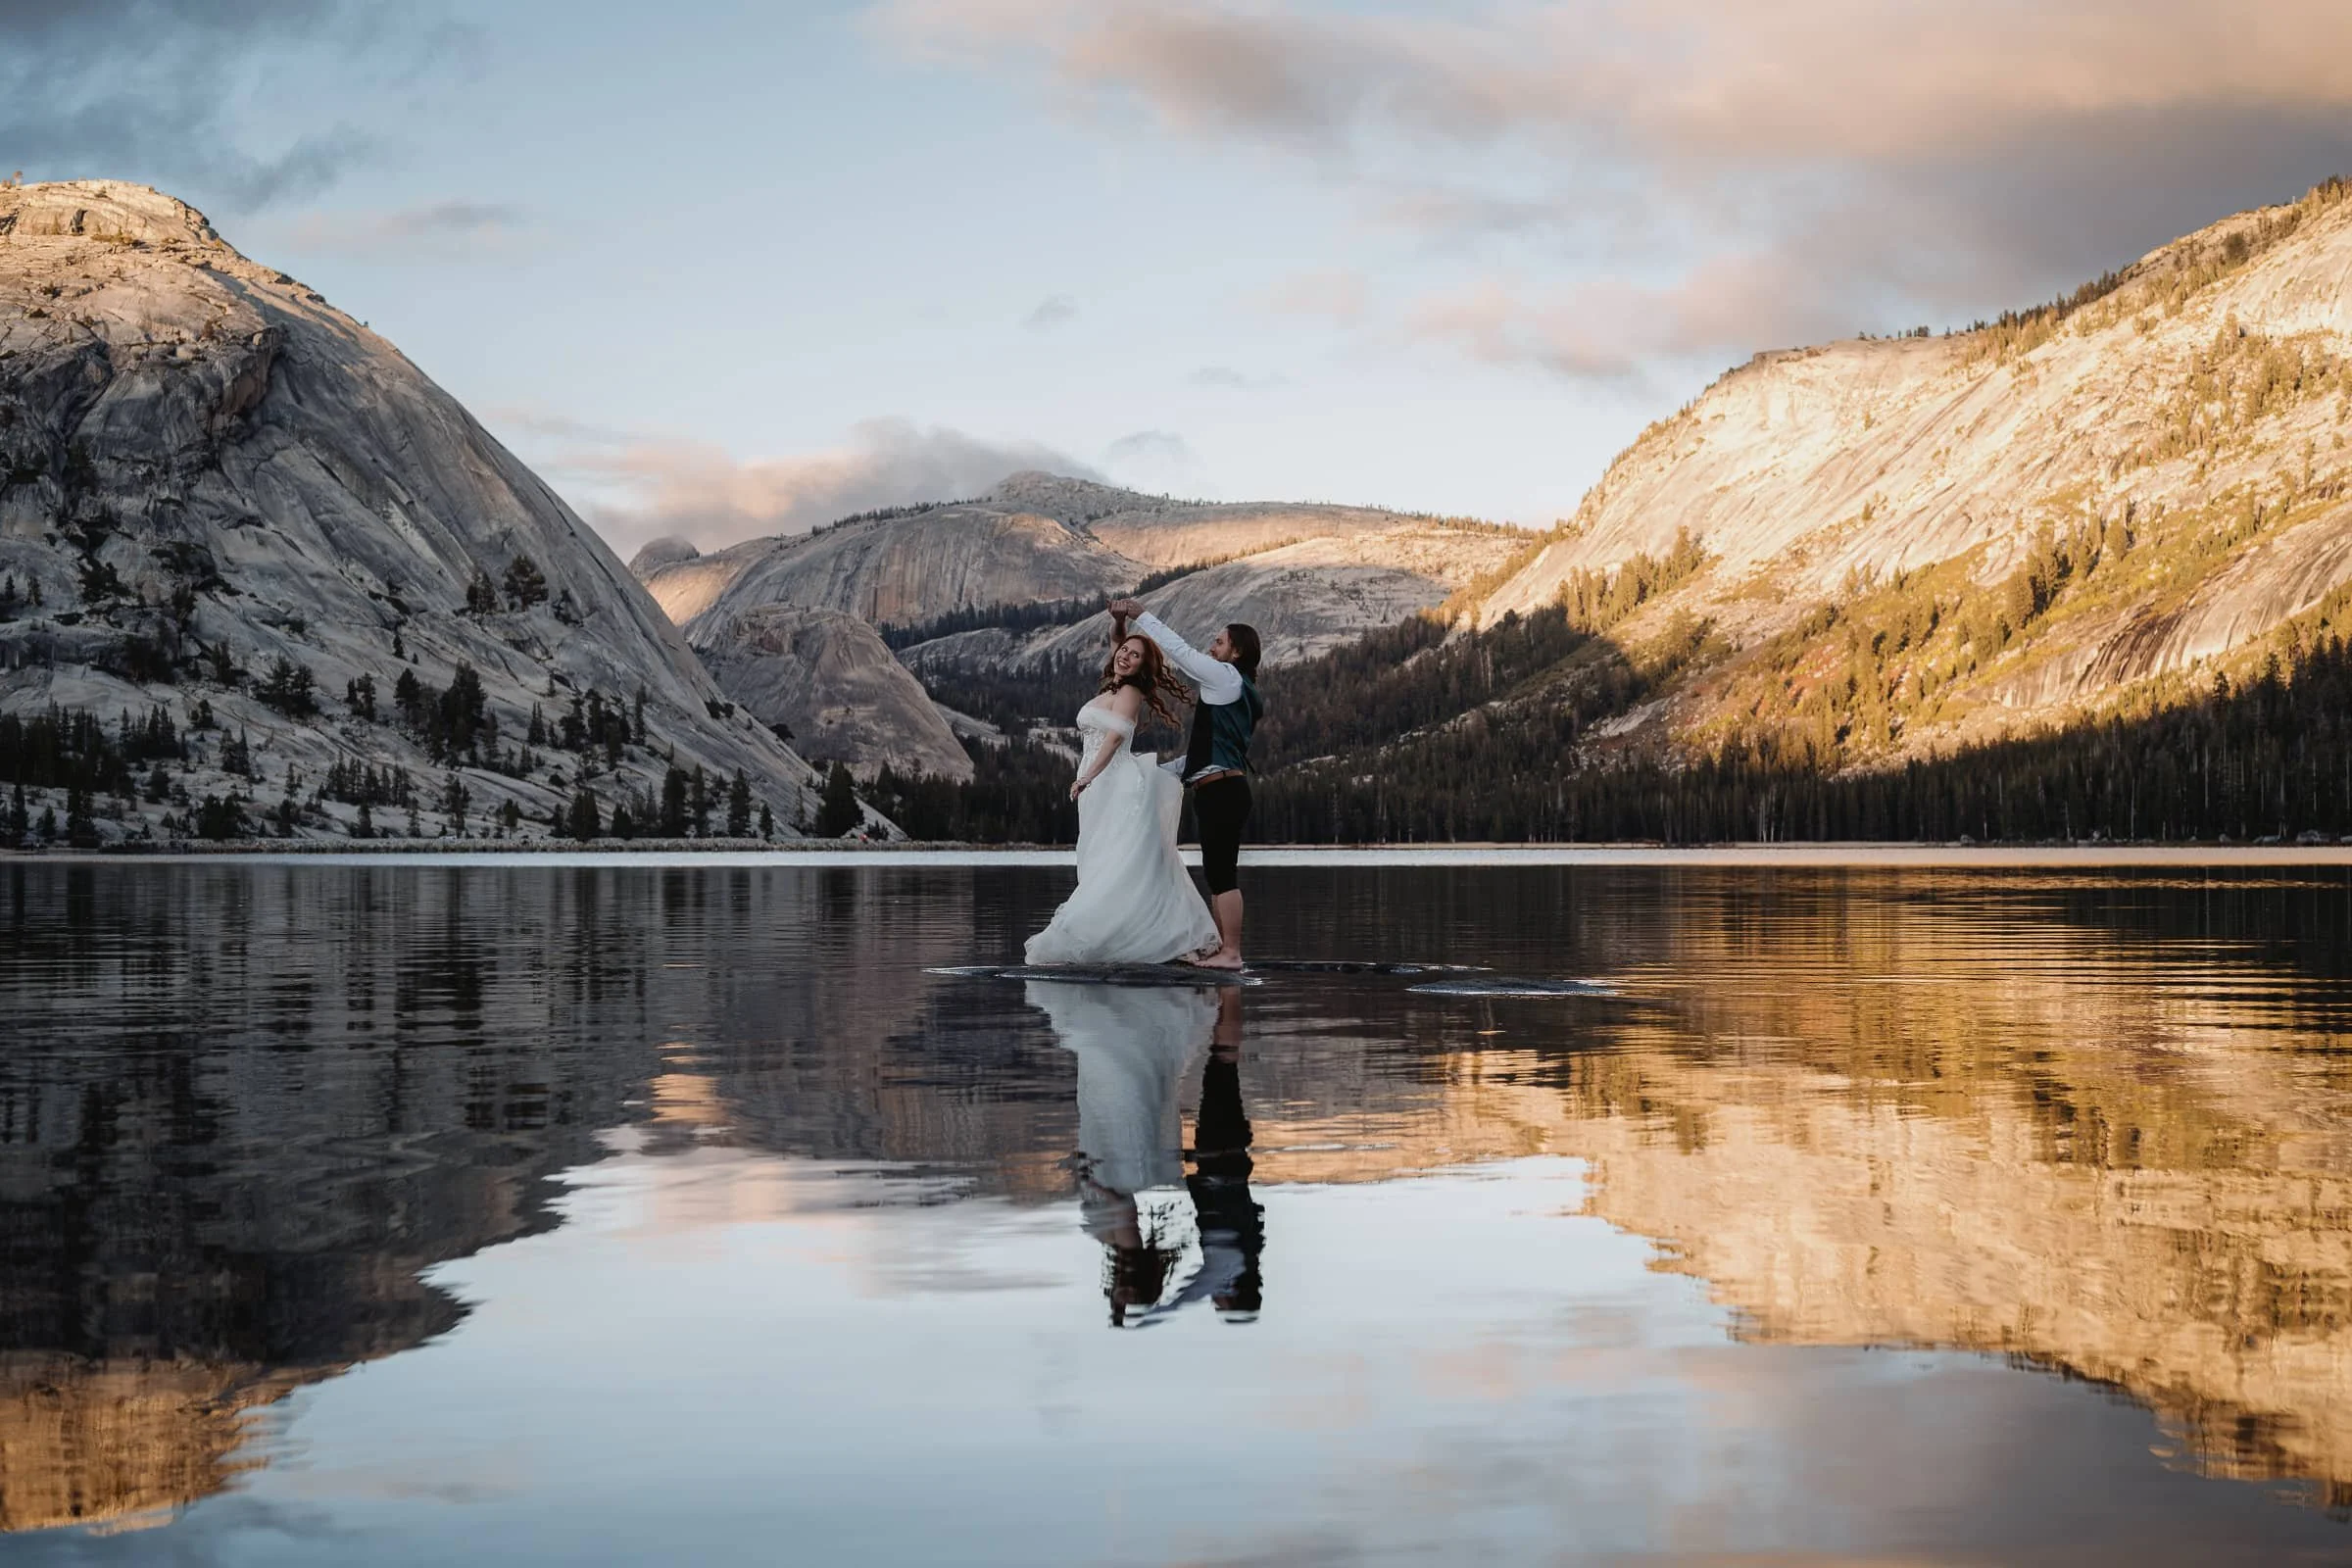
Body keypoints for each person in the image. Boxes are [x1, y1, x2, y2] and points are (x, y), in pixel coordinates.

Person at [1022, 620, 1220, 966]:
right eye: (1124, 651)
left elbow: (1114, 740)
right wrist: (1118, 623)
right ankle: (1122, 933)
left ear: (1144, 666)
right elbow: (1119, 642)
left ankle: (1155, 937)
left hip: (1118, 783)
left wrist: (1087, 777)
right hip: (1100, 787)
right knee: (1103, 858)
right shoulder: (1114, 686)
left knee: (1123, 860)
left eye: (1135, 655)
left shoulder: (1129, 692)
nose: (1126, 656)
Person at [1105, 599, 1261, 970]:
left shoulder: (1226, 677)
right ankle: (1224, 950)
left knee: (1222, 873)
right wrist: (1153, 772)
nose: (1212, 647)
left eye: (1220, 643)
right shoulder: (1236, 690)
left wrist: (1140, 614)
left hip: (1222, 791)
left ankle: (1232, 953)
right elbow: (1204, 755)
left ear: (1236, 652)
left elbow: (1181, 651)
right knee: (1216, 872)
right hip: (1219, 788)